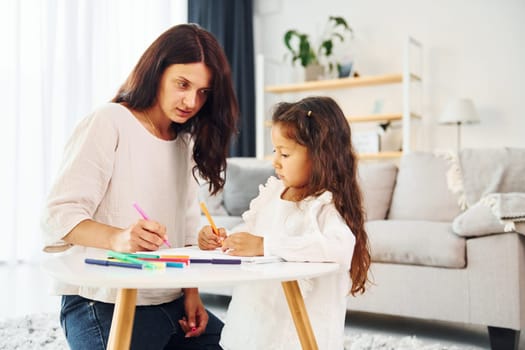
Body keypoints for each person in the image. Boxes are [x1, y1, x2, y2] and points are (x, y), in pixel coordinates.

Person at [41, 23, 238, 350]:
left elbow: (188, 225)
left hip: (171, 299)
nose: (191, 100)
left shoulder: (184, 141)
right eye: (182, 84)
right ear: (157, 72)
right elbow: (58, 215)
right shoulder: (109, 121)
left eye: (203, 92)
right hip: (104, 299)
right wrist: (118, 237)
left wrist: (192, 294)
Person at [199, 96, 371, 350]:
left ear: (321, 156)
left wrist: (266, 246)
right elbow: (252, 231)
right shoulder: (273, 192)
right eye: (275, 151)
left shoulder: (324, 204)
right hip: (258, 314)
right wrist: (222, 238)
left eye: (285, 153)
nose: (275, 161)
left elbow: (339, 247)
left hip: (298, 328)